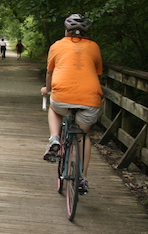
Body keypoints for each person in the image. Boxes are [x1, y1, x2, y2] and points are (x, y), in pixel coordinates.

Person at [39, 14, 103, 195]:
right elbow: (97, 72)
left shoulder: (57, 46)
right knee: (83, 136)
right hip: (90, 99)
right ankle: (82, 177)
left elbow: (50, 72)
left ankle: (54, 138)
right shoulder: (94, 47)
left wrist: (47, 89)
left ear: (66, 31)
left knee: (54, 108)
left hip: (62, 96)